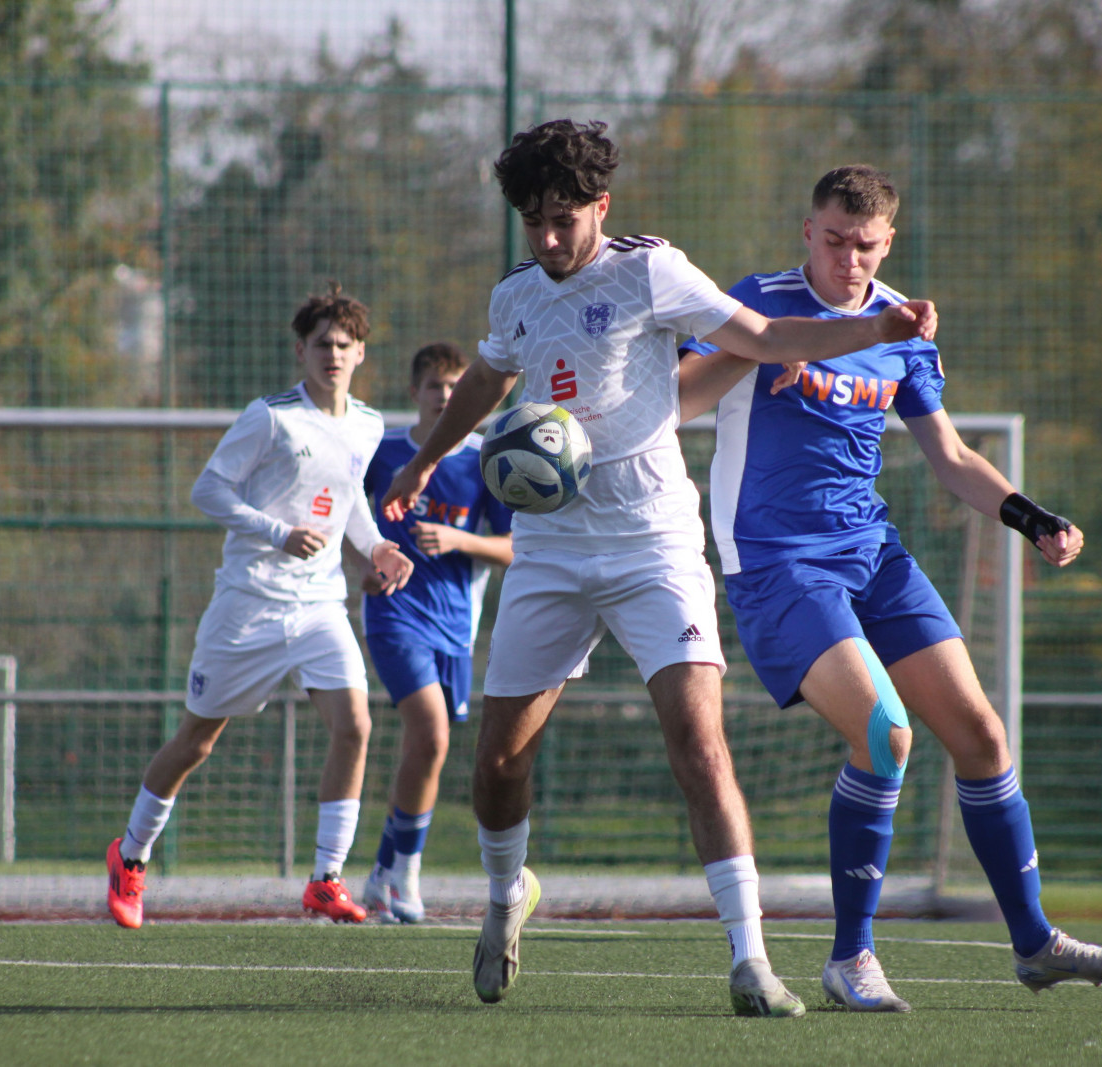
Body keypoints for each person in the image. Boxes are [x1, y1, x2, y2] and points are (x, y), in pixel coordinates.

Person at [380, 120, 937, 1016]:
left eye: (565, 218)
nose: (551, 239)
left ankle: (751, 960)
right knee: (496, 764)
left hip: (654, 544)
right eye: (534, 222)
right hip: (552, 548)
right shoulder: (517, 296)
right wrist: (419, 462)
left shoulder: (652, 270)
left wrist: (876, 325)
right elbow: (488, 381)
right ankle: (503, 896)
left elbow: (761, 335)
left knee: (699, 743)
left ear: (602, 206)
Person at [677, 164, 1102, 1012]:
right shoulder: (755, 303)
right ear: (807, 232)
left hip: (872, 551)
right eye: (836, 240)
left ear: (889, 242)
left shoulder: (901, 327)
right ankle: (851, 957)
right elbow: (678, 400)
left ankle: (1034, 942)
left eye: (868, 245)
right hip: (777, 559)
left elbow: (953, 459)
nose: (850, 258)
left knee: (982, 735)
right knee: (887, 734)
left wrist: (1033, 518)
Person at [106, 284, 414, 929]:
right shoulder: (270, 417)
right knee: (197, 741)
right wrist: (277, 532)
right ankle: (131, 857)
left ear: (361, 354)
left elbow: (351, 494)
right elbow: (208, 490)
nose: (333, 354)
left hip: (319, 606)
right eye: (321, 344)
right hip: (248, 603)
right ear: (301, 351)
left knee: (355, 726)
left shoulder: (368, 423)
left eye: (344, 345)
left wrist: (379, 546)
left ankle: (326, 879)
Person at [356, 342, 515, 923]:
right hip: (394, 614)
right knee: (431, 735)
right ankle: (406, 878)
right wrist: (363, 568)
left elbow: (514, 548)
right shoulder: (384, 453)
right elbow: (350, 517)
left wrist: (458, 540)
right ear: (414, 392)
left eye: (454, 387)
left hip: (455, 627)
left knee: (428, 750)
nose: (444, 397)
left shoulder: (483, 460)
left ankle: (380, 873)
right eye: (434, 387)